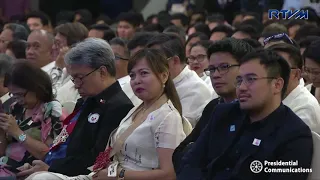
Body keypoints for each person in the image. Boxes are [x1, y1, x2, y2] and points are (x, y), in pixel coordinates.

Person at [177, 49, 313, 179]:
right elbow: (190, 162)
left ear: (277, 85)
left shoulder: (295, 135)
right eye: (240, 80)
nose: (241, 87)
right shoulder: (223, 113)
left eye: (251, 79)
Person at [17, 38, 134, 178]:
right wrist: (40, 165)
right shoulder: (86, 101)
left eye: (80, 77)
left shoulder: (119, 107)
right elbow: (65, 144)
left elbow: (96, 159)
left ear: (102, 72)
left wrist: (51, 169)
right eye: (73, 79)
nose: (77, 85)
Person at [173, 38, 254, 170]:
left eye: (224, 67)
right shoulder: (213, 106)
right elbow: (179, 153)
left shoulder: (255, 112)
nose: (216, 75)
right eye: (212, 69)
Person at [0, 61, 63, 174]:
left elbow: (50, 155)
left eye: (20, 94)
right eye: (13, 95)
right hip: (5, 165)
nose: (17, 99)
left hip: (30, 170)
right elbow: (2, 151)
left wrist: (17, 133)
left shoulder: (51, 110)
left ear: (35, 87)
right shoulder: (16, 108)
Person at [147, 33, 212, 127]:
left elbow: (176, 129)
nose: (151, 67)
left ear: (175, 61)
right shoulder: (156, 82)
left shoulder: (195, 90)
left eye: (156, 61)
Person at [268, 43, 320, 133]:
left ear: (297, 74)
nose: (272, 73)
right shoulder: (267, 97)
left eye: (280, 69)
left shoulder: (305, 107)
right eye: (269, 68)